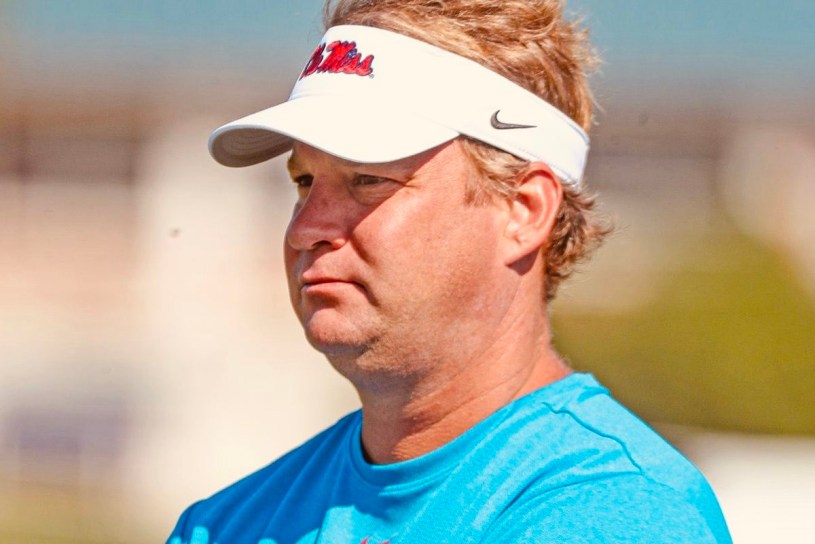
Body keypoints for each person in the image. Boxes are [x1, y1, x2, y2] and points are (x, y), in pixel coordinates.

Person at [168, 0, 732, 542]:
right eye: (304, 181)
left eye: (368, 179)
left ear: (524, 210)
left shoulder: (615, 515)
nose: (305, 228)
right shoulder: (225, 524)